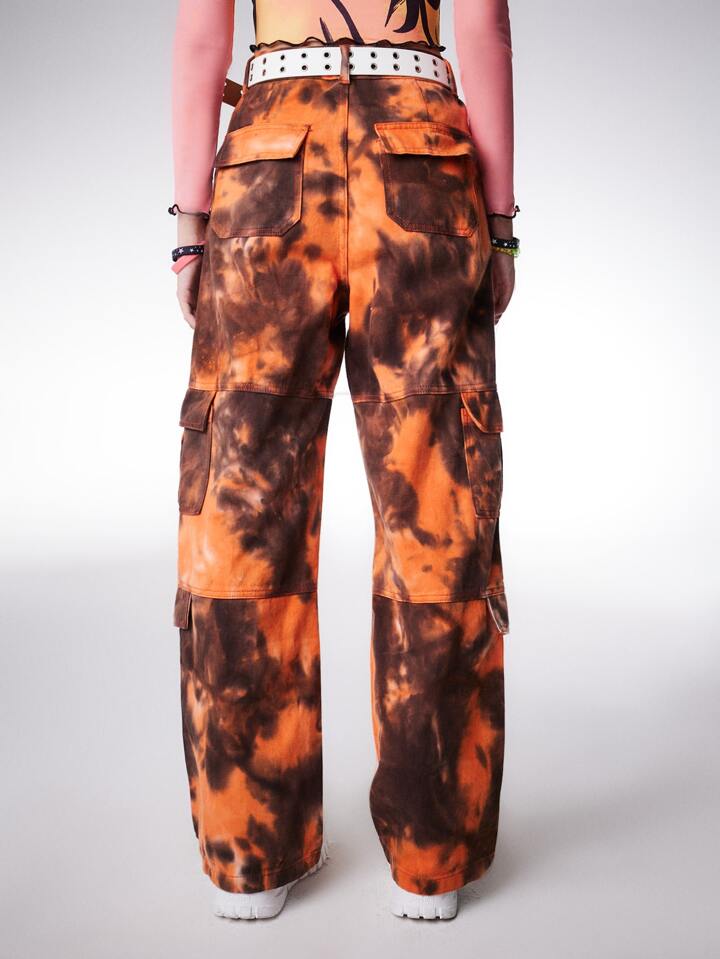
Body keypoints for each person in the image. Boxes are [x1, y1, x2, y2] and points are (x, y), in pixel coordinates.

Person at [170, 0, 518, 922]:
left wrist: (191, 228)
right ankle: (433, 856)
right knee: (435, 500)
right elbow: (483, 27)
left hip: (270, 161)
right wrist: (500, 223)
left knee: (244, 501)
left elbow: (203, 37)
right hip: (420, 156)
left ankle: (253, 851)